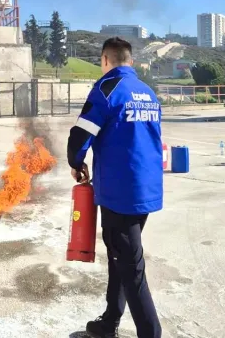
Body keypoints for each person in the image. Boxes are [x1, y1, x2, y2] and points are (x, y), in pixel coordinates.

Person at [67, 37, 163, 338]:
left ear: (104, 61)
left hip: (120, 194)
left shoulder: (107, 89)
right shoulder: (148, 92)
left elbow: (81, 133)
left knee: (131, 269)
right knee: (120, 258)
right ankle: (109, 321)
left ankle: (151, 333)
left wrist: (76, 161)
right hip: (145, 190)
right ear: (130, 62)